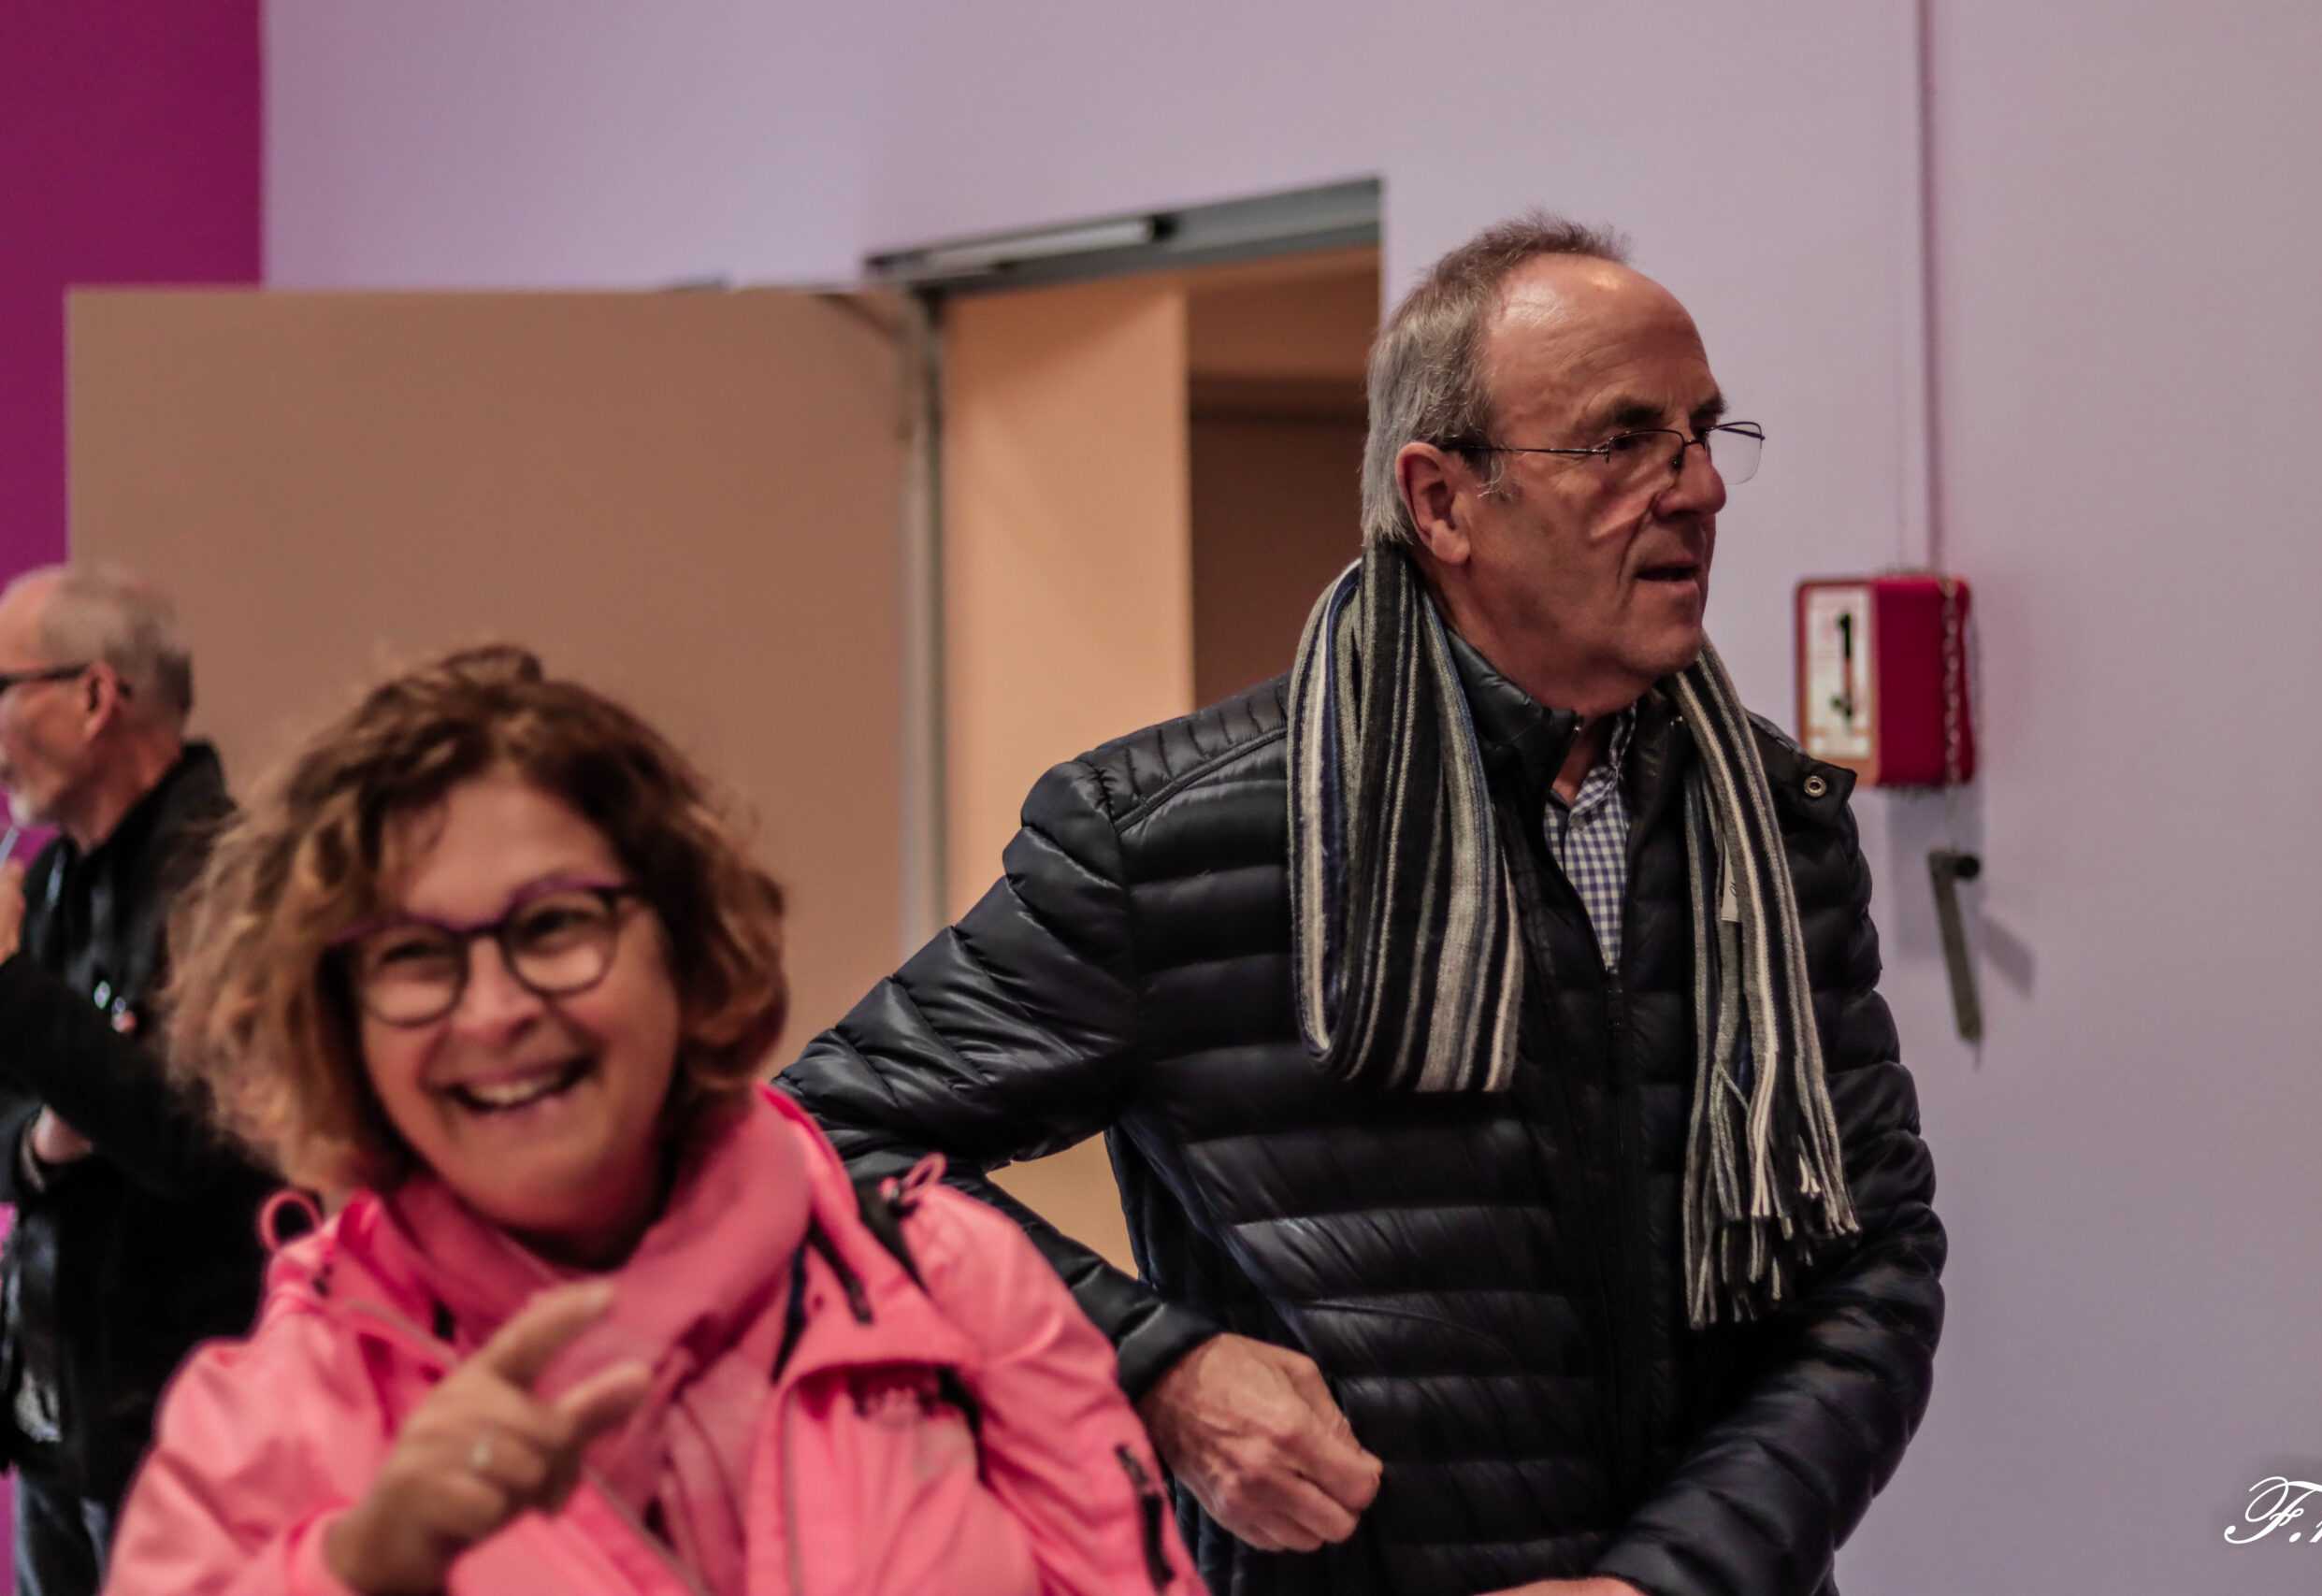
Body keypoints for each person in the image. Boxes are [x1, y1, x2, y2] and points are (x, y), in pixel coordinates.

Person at [782, 214, 1945, 1596]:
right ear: (1441, 501)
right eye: (1621, 441)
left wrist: (1666, 1578)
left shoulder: (1770, 824)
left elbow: (1871, 1268)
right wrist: (1155, 1369)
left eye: (1701, 433)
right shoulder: (1166, 838)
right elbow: (817, 1152)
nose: (1697, 489)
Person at [105, 645, 1199, 1596]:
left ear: (684, 946)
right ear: (337, 1026)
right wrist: (352, 1574)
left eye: (555, 926)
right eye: (412, 956)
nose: (493, 1011)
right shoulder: (264, 1420)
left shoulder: (954, 1287)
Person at [0, 566, 274, 1596]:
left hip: (180, 1438)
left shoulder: (231, 879)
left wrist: (9, 985)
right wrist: (44, 1138)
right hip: (54, 1421)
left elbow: (189, 1137)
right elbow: (17, 1127)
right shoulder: (53, 879)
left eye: (2, 689)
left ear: (93, 696)